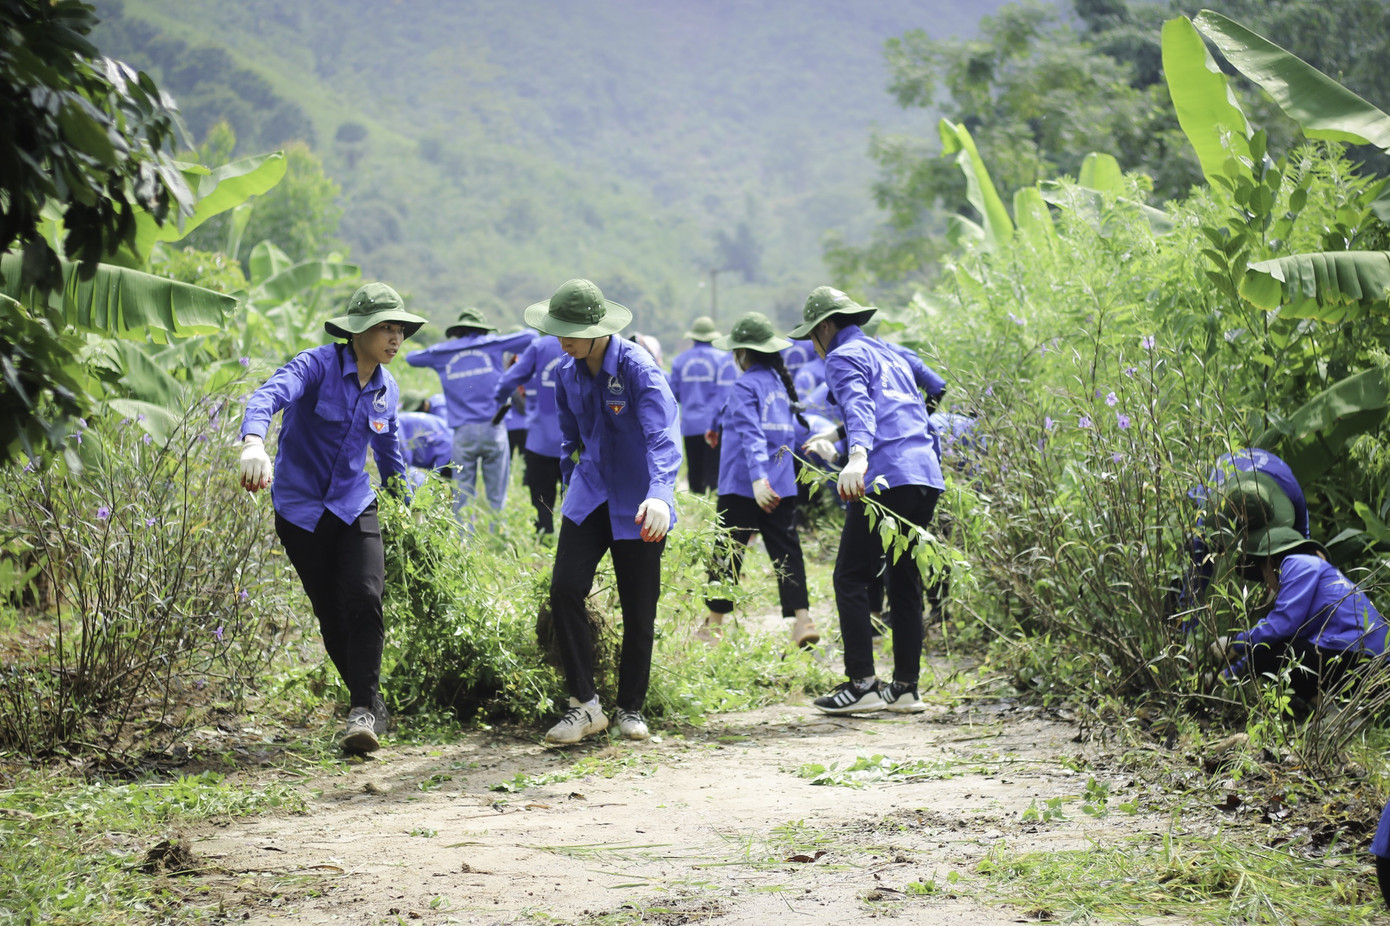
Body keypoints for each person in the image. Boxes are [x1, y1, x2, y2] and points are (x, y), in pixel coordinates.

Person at [237, 282, 426, 753]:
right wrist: (253, 442)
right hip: (300, 511)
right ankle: (371, 702)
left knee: (365, 595)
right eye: (386, 327)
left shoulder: (386, 388)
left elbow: (388, 451)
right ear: (359, 331)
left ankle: (361, 710)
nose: (395, 338)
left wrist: (408, 503)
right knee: (331, 612)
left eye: (400, 329)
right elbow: (267, 396)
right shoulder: (315, 365)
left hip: (353, 503)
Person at [525, 279, 682, 745]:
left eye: (572, 329)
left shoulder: (639, 369)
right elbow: (569, 438)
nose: (563, 338)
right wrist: (567, 480)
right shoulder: (565, 371)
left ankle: (630, 708)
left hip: (641, 503)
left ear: (599, 328)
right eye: (557, 329)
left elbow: (662, 435)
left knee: (639, 607)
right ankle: (584, 706)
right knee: (565, 588)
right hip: (589, 494)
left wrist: (660, 494)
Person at [789, 286, 945, 716]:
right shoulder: (891, 352)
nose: (815, 348)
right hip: (925, 474)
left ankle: (863, 684)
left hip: (885, 477)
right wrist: (845, 435)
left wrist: (857, 454)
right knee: (904, 578)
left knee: (851, 577)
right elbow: (936, 388)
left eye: (812, 338)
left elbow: (859, 404)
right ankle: (906, 688)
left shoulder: (841, 356)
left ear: (824, 327)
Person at [700, 312, 818, 648]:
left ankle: (715, 626)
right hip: (781, 487)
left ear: (742, 353)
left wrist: (757, 480)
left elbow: (752, 435)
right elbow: (785, 432)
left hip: (744, 485)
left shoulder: (744, 384)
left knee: (727, 553)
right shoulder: (779, 385)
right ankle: (803, 620)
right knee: (787, 553)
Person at [1211, 526, 1388, 715]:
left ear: (1270, 562)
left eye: (1264, 573)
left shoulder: (1297, 563)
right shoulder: (1320, 571)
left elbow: (1281, 625)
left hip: (1353, 654)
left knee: (1262, 655)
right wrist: (1227, 674)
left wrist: (1235, 644)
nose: (1267, 583)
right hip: (1376, 665)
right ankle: (1343, 712)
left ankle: (1333, 712)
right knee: (1269, 651)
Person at [405, 307, 534, 521]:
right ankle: (497, 538)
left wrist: (446, 350)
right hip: (494, 428)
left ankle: (464, 542)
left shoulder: (444, 354)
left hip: (462, 433)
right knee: (496, 496)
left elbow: (411, 358)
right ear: (483, 330)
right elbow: (530, 336)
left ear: (458, 331)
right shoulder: (492, 346)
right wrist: (494, 343)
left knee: (462, 496)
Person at [493, 334, 568, 534]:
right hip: (574, 441)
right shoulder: (587, 342)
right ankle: (571, 539)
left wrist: (500, 397)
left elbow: (510, 379)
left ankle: (544, 535)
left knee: (542, 496)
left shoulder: (539, 346)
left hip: (540, 439)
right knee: (574, 497)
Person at [668, 316, 728, 494]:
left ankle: (696, 507)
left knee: (695, 471)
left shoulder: (679, 361)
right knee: (713, 471)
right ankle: (711, 512)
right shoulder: (722, 360)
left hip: (690, 424)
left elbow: (675, 393)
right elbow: (724, 394)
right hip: (714, 425)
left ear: (693, 337)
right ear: (712, 336)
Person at [398, 406, 453, 491]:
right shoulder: (448, 448)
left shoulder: (448, 438)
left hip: (398, 424)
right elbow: (434, 475)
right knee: (403, 468)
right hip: (398, 428)